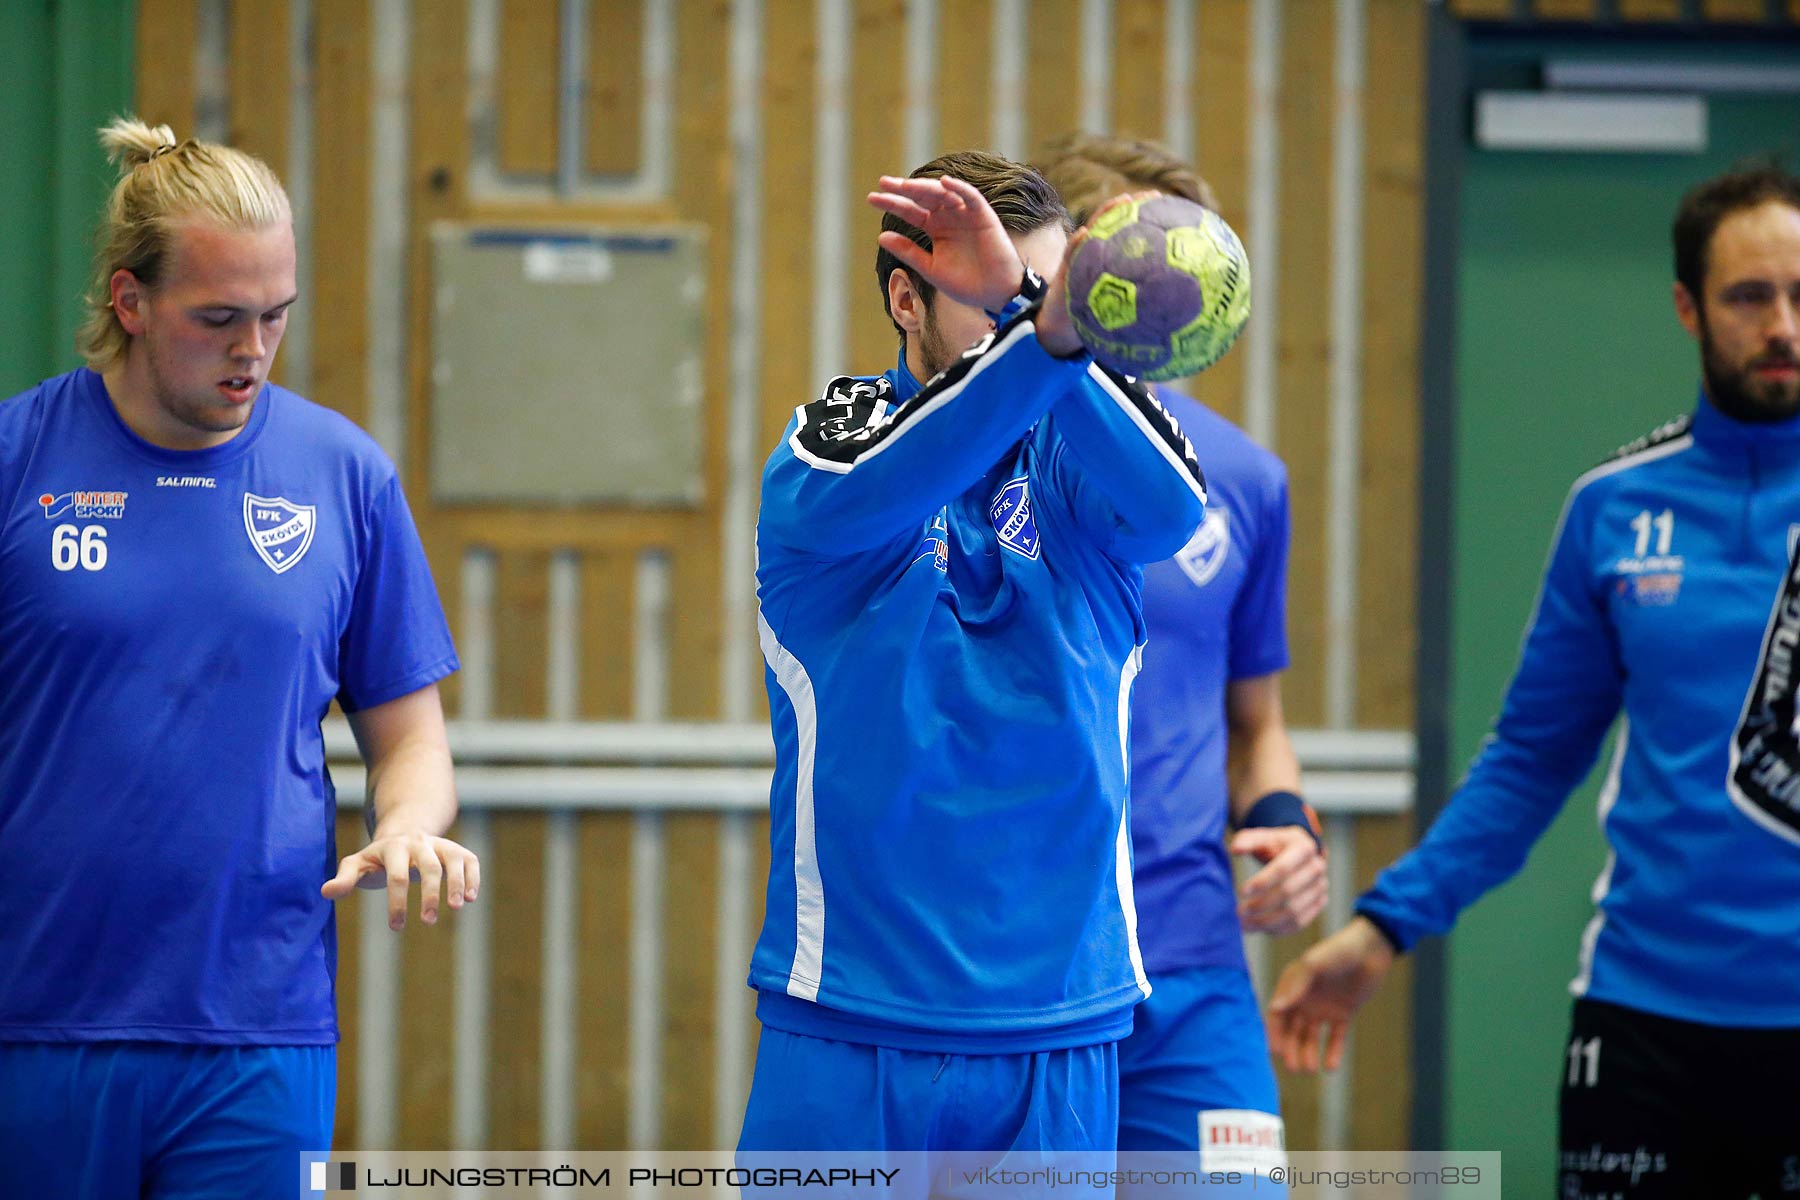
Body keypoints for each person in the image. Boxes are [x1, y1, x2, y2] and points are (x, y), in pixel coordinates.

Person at [1268, 163, 1800, 1197]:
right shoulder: (1614, 510)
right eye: (1750, 296)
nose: (1783, 323)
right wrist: (1385, 927)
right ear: (1689, 309)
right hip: (1645, 1027)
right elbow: (1531, 759)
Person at [0, 118, 475, 1197]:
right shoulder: (17, 461)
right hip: (32, 1019)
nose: (253, 349)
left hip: (258, 1029)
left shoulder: (343, 476)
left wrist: (406, 829)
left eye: (274, 316)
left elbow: (413, 741)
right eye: (217, 319)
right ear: (129, 303)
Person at [737, 151, 1208, 1158]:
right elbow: (877, 486)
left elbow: (1172, 511)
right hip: (851, 1015)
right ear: (905, 298)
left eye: (1039, 293)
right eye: (991, 297)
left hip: (1060, 1019)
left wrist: (1051, 333)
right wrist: (1042, 338)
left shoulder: (1084, 455)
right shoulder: (834, 437)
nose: (1022, 315)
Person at [1036, 135, 1323, 1182]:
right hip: (1016, 974)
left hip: (1193, 969)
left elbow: (1258, 727)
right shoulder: (968, 455)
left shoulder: (1245, 479)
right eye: (1128, 257)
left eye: (1177, 262)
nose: (1154, 287)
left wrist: (1284, 824)